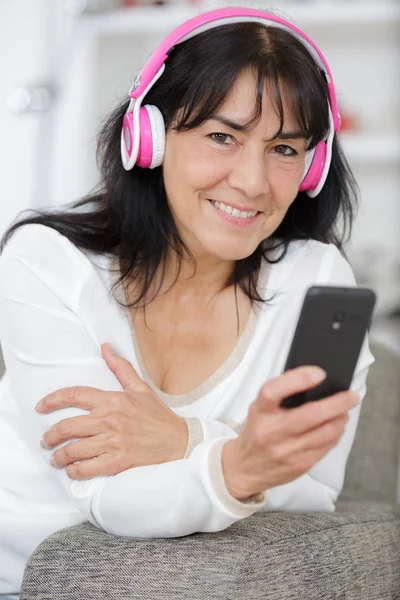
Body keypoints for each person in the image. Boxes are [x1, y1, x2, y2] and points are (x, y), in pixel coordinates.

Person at [0, 7, 374, 596]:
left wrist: (182, 439)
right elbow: (108, 498)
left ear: (312, 166)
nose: (252, 182)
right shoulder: (46, 261)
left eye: (283, 149)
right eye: (221, 137)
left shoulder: (315, 278)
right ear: (147, 138)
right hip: (28, 578)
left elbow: (314, 486)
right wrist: (243, 460)